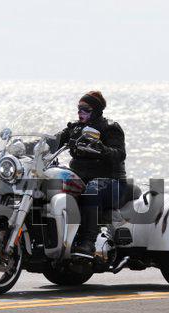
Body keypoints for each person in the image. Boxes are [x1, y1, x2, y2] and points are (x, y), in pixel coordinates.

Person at [57, 91, 127, 257]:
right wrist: (27, 145)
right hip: (82, 179)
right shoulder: (75, 129)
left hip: (112, 182)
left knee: (92, 190)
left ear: (96, 110)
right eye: (79, 108)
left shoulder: (110, 128)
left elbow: (120, 154)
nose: (80, 112)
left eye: (85, 109)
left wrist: (101, 149)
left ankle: (88, 242)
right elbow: (53, 141)